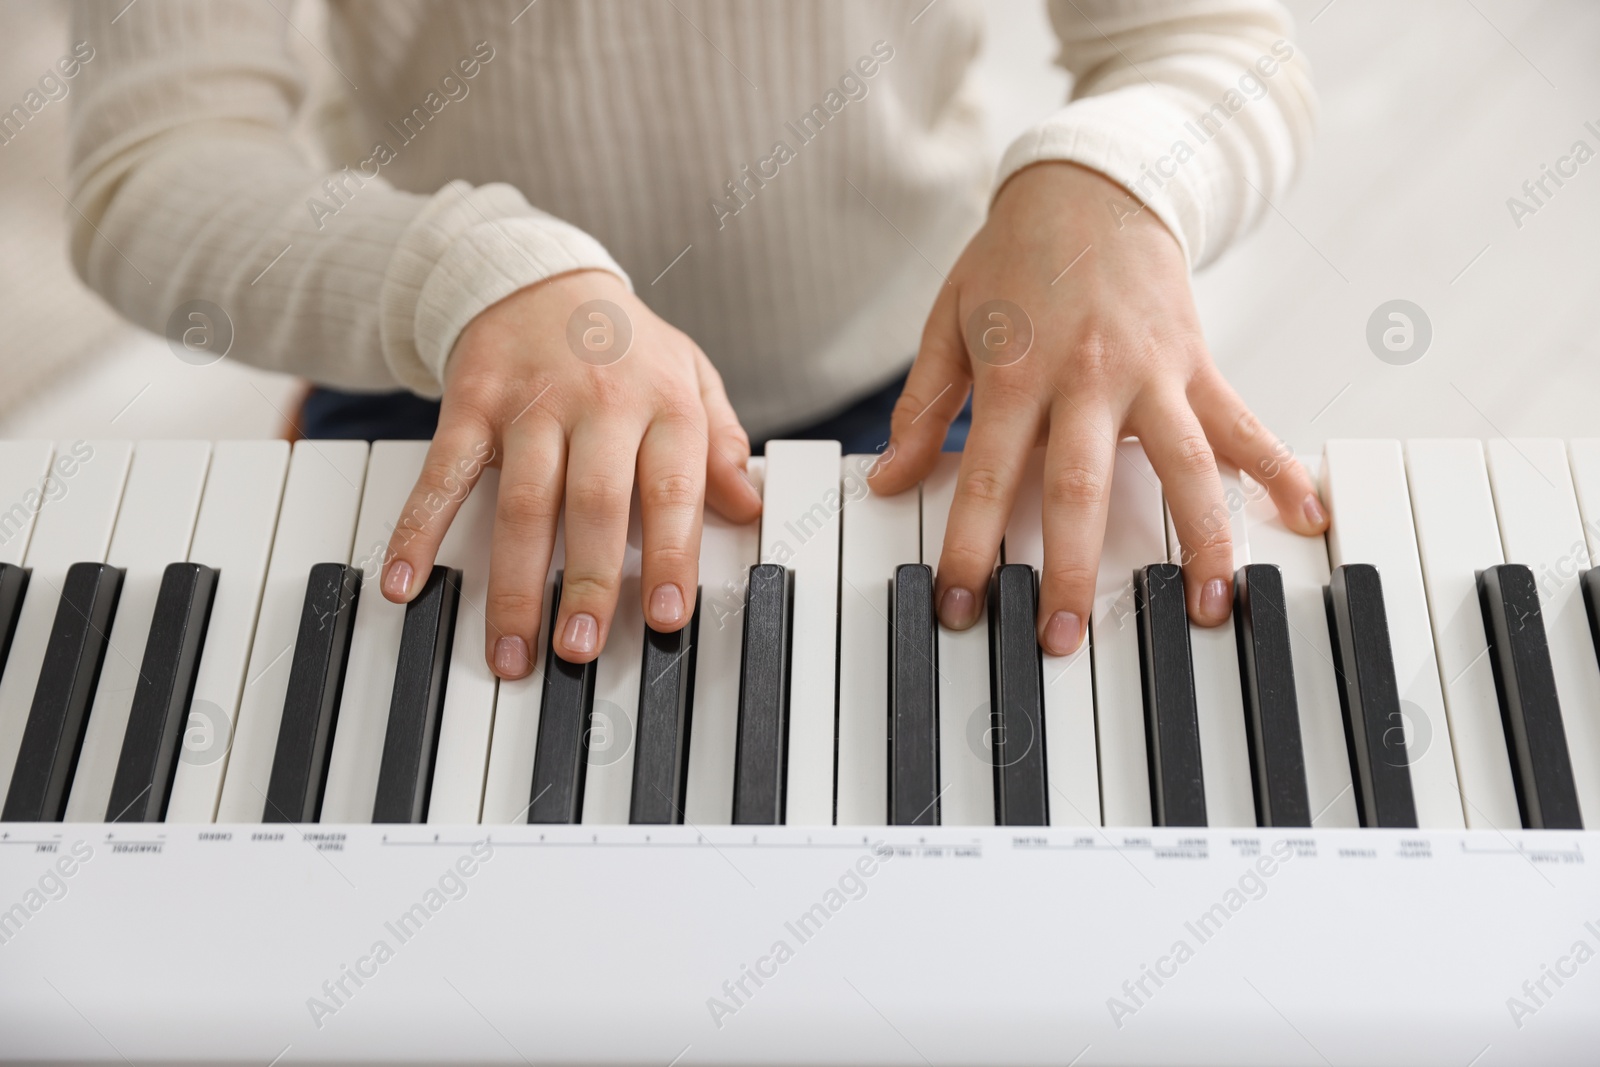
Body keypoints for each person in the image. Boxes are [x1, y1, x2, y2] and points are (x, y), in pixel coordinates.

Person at [68, 0, 1327, 682]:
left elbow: (1205, 43)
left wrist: (1114, 180)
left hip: (923, 376)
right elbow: (152, 163)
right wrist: (469, 273)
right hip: (450, 369)